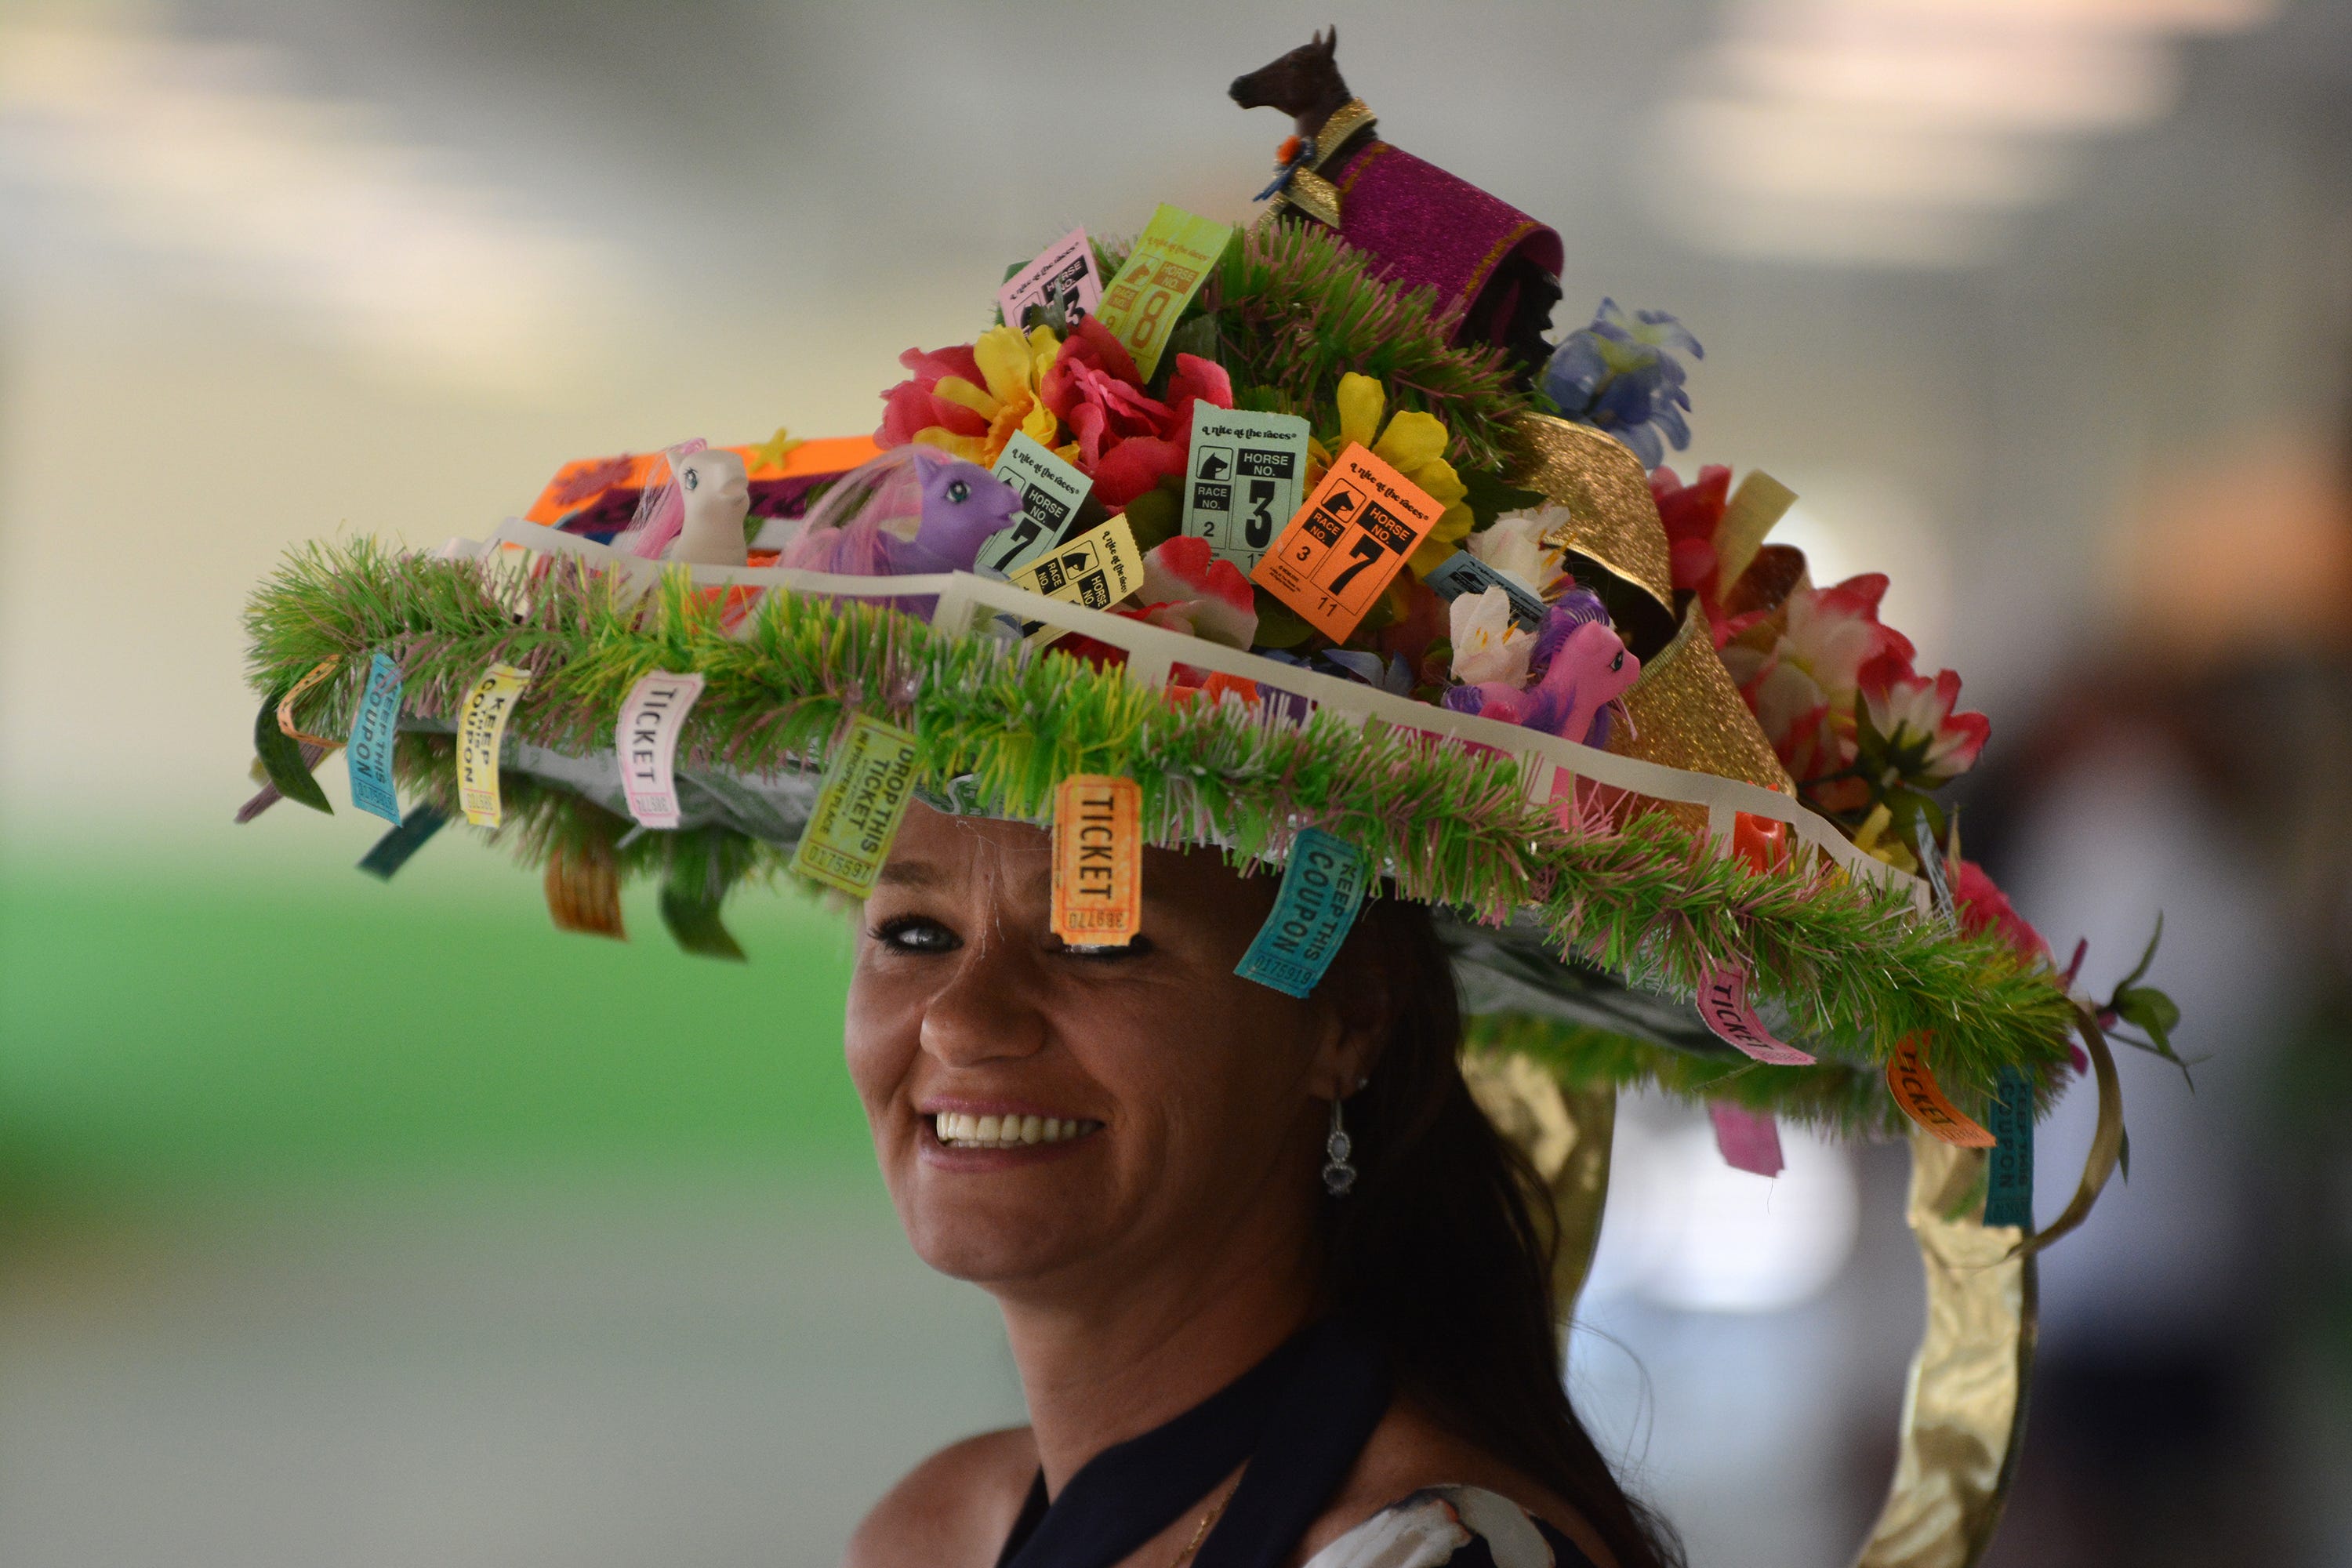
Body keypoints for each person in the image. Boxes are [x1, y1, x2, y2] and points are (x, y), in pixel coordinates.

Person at [840, 806, 1681, 1568]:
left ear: (1347, 1018)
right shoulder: (931, 1533)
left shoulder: (1437, 1552)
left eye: (1101, 939)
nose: (959, 1023)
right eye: (915, 935)